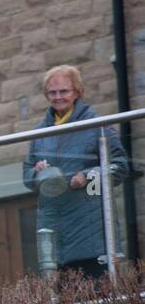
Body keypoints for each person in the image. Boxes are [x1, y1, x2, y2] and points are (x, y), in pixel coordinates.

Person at [22, 64, 128, 278]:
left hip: (92, 235)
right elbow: (27, 175)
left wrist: (89, 177)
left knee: (98, 300)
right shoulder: (39, 133)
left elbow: (120, 166)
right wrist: (38, 173)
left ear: (77, 92)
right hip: (55, 236)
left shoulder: (98, 125)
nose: (58, 97)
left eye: (64, 91)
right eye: (52, 92)